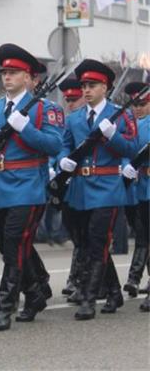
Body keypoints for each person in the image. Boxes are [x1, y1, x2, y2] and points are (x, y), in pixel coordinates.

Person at [0, 44, 63, 331]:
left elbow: (54, 145)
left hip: (28, 186)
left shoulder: (46, 109)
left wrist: (27, 128)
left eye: (14, 72)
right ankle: (34, 292)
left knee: (13, 242)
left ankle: (4, 308)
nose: (7, 77)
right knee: (3, 242)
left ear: (29, 77)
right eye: (5, 72)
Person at [60, 60, 139, 320]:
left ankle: (89, 298)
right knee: (87, 242)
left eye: (92, 85)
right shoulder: (74, 119)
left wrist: (113, 135)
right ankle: (114, 291)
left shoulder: (121, 115)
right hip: (80, 188)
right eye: (84, 85)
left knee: (98, 240)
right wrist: (63, 160)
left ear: (105, 87)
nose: (86, 90)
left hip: (107, 188)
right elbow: (64, 145)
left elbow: (132, 148)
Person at [57, 77, 88, 302]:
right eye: (68, 100)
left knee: (89, 237)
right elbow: (60, 148)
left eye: (74, 99)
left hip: (90, 184)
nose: (70, 104)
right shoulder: (67, 122)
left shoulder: (91, 121)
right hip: (69, 186)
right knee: (77, 234)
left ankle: (81, 280)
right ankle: (79, 278)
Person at [121, 81, 149, 302]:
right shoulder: (127, 123)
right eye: (135, 104)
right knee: (141, 233)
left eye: (143, 103)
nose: (138, 108)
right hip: (132, 186)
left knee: (145, 234)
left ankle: (135, 277)